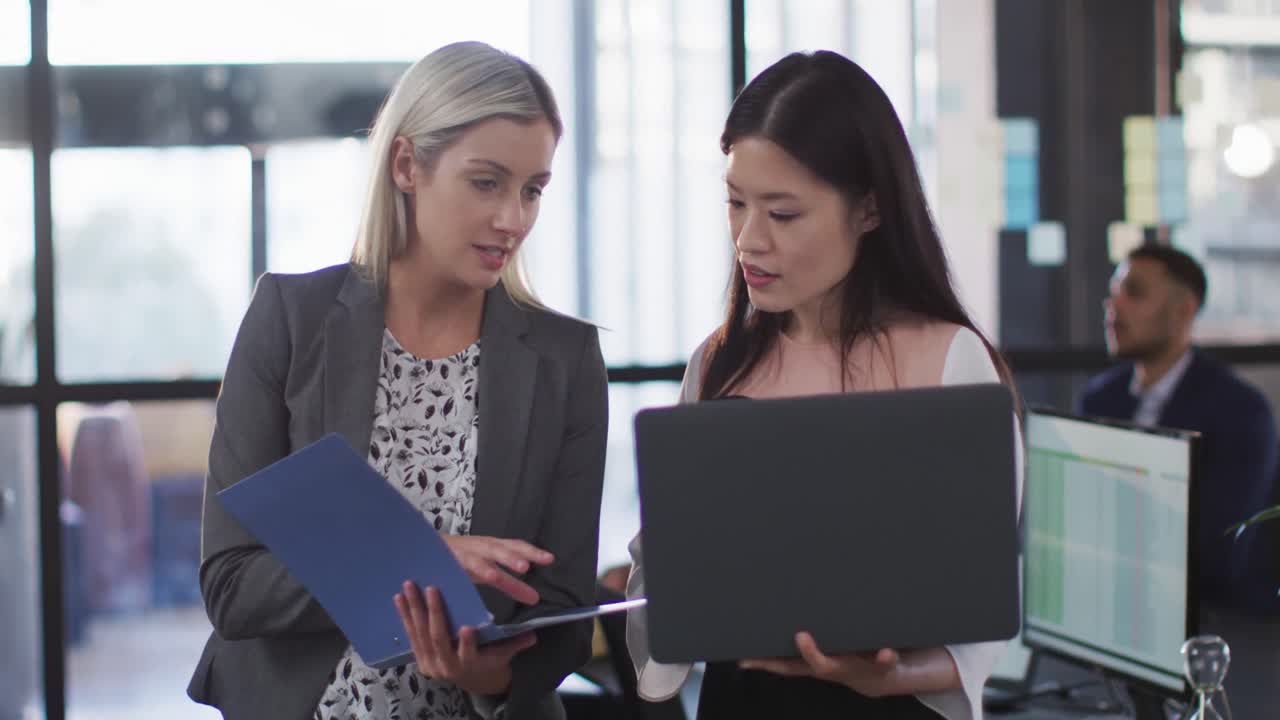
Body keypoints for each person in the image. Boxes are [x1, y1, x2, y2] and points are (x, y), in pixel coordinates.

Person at [186, 41, 609, 720]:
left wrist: (489, 678)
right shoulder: (291, 323)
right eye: (486, 182)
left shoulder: (566, 360)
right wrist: (416, 563)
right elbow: (233, 585)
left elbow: (561, 611)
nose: (514, 219)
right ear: (408, 165)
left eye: (533, 190)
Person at [625, 50, 1023, 720]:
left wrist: (883, 678)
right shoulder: (718, 364)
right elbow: (668, 587)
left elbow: (985, 606)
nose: (749, 240)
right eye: (735, 203)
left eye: (782, 214)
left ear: (868, 209)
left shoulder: (948, 360)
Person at [1080, 244, 1279, 613]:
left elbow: (1222, 552)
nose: (1114, 305)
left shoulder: (1240, 411)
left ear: (1183, 311)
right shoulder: (1100, 398)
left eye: (1134, 293)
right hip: (1114, 602)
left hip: (1220, 619)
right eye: (1114, 293)